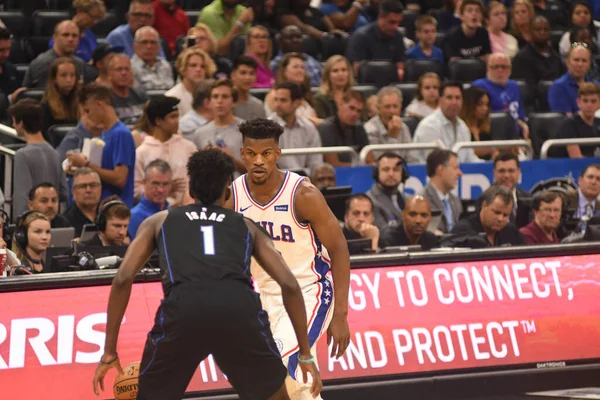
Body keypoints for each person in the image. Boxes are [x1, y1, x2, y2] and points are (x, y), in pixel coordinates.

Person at [92, 148, 322, 400]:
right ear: (228, 190)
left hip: (183, 309)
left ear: (190, 189)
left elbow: (123, 278)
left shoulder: (158, 221)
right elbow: (289, 284)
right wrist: (305, 352)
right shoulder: (246, 225)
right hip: (237, 310)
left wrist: (109, 351)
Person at [229, 118, 350, 400]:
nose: (259, 161)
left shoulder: (303, 194)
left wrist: (341, 313)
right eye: (252, 153)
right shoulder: (232, 196)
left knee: (278, 365)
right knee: (301, 386)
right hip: (264, 297)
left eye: (266, 153)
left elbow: (339, 249)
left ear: (277, 154)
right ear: (242, 154)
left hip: (310, 291)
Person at [67, 83, 136, 208]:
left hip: (117, 208)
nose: (87, 116)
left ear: (99, 105)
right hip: (104, 208)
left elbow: (120, 178)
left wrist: (86, 164)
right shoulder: (105, 133)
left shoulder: (121, 134)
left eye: (88, 110)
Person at [9, 99, 68, 217]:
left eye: (14, 121)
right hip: (52, 221)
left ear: (21, 123)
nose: (13, 125)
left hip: (32, 225)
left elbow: (22, 198)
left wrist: (20, 227)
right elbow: (64, 193)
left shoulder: (22, 155)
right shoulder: (54, 153)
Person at [134, 95, 196, 206]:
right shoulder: (141, 152)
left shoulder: (188, 147)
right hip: (154, 212)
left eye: (177, 116)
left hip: (187, 210)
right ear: (158, 121)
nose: (177, 121)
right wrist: (163, 190)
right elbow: (136, 190)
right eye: (172, 117)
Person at [413, 81, 480, 163]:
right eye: (449, 97)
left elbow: (470, 158)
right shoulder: (428, 126)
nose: (454, 102)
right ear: (440, 100)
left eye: (458, 98)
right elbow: (436, 163)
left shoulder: (463, 127)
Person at [192, 79, 246, 174]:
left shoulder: (246, 130)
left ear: (234, 102)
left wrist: (230, 159)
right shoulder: (200, 133)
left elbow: (255, 171)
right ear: (209, 103)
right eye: (215, 97)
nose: (220, 101)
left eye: (225, 96)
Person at [472, 53, 529, 139]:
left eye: (504, 67)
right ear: (488, 68)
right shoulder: (479, 86)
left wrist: (523, 125)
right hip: (491, 136)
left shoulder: (515, 86)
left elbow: (518, 115)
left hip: (514, 136)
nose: (500, 70)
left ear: (510, 69)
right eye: (495, 67)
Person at [23, 20, 95, 88]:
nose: (70, 39)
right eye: (65, 35)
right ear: (54, 38)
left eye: (75, 36)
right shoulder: (42, 63)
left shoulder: (80, 64)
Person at [346, 0, 406, 80]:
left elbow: (400, 65)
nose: (395, 27)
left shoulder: (398, 36)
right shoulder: (361, 37)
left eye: (399, 23)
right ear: (380, 17)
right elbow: (355, 71)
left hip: (390, 86)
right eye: (392, 22)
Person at [270, 82, 322, 171]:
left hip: (304, 179)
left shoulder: (309, 127)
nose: (277, 105)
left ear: (297, 103)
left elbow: (315, 162)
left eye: (283, 100)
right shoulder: (267, 127)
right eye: (276, 100)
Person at [451, 185, 525, 246]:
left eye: (505, 215)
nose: (500, 219)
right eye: (496, 212)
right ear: (484, 205)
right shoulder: (462, 232)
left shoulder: (512, 233)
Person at [317, 89, 370, 167]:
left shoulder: (359, 128)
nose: (354, 114)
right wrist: (360, 166)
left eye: (359, 111)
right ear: (340, 104)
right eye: (351, 108)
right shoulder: (326, 128)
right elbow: (333, 165)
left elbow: (370, 160)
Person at [364, 86, 416, 163]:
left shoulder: (404, 127)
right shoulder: (369, 130)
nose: (392, 111)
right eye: (387, 107)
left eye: (395, 106)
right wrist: (392, 138)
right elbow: (381, 163)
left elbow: (412, 159)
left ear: (400, 107)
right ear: (379, 108)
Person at [511, 15, 566, 86]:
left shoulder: (556, 57)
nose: (542, 32)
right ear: (530, 32)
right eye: (538, 29)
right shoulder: (522, 58)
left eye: (545, 29)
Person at [421, 149, 463, 234]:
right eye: (455, 168)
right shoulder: (422, 200)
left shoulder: (455, 201)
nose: (460, 173)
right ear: (441, 170)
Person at [548, 44, 598, 115]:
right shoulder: (558, 87)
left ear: (589, 64)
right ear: (567, 62)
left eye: (584, 61)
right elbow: (565, 120)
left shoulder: (597, 86)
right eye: (576, 60)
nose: (580, 64)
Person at [265, 52, 317, 119]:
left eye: (302, 67)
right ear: (284, 71)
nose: (300, 70)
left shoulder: (305, 96)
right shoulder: (274, 95)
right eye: (295, 67)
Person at [166, 48, 216, 116]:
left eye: (203, 66)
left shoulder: (214, 95)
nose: (198, 69)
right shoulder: (172, 97)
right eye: (193, 65)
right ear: (183, 70)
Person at [555, 82, 600, 158]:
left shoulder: (598, 122)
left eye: (593, 101)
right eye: (585, 101)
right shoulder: (569, 124)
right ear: (578, 102)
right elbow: (576, 158)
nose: (589, 105)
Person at [129, 159, 171, 239]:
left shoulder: (173, 215)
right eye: (155, 183)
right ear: (144, 182)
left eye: (165, 184)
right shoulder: (134, 217)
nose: (160, 190)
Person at [367, 152, 408, 230]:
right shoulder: (370, 201)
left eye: (396, 170)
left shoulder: (408, 199)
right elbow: (384, 235)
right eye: (386, 169)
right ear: (377, 173)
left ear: (403, 174)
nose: (391, 174)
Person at [41, 58, 81, 137]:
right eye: (63, 75)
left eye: (72, 75)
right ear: (54, 79)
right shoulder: (45, 107)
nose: (69, 80)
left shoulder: (82, 103)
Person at [109, 54, 149, 125]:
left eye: (127, 69)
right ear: (109, 74)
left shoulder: (141, 95)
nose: (124, 73)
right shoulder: (106, 99)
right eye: (119, 69)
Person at [131, 26, 174, 90]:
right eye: (144, 42)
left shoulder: (165, 65)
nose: (149, 46)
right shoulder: (130, 68)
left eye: (153, 42)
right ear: (134, 46)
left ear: (158, 47)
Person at [63, 167, 102, 237]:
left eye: (93, 185)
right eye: (82, 186)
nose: (88, 190)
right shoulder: (65, 222)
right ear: (73, 192)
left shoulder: (110, 216)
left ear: (100, 188)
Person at [312, 55, 353, 120]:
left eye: (344, 70)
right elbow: (322, 125)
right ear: (327, 75)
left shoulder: (355, 97)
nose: (340, 74)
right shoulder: (320, 99)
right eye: (335, 71)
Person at [230, 56, 267, 121]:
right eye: (243, 73)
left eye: (251, 73)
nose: (247, 77)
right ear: (233, 75)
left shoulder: (258, 106)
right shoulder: (224, 103)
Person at [0, 27, 24, 120]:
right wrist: (10, 99)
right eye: (1, 50)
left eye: (8, 49)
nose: (6, 54)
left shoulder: (10, 69)